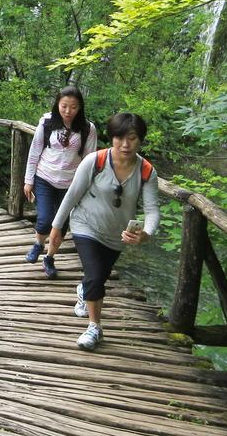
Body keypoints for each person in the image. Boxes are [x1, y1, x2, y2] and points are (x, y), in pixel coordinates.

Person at [49, 113, 160, 351]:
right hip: (84, 224)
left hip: (117, 235)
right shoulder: (95, 161)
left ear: (140, 140)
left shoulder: (147, 172)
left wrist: (146, 233)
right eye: (119, 138)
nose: (125, 144)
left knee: (98, 276)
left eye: (132, 138)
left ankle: (83, 290)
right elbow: (72, 195)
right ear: (111, 138)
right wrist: (57, 227)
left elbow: (152, 210)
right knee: (96, 275)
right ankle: (94, 327)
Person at [23, 85, 97, 279]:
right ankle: (38, 244)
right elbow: (35, 151)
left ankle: (49, 257)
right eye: (64, 106)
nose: (67, 111)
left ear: (79, 107)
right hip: (44, 177)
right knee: (46, 218)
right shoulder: (47, 122)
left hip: (71, 184)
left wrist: (85, 189)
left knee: (61, 224)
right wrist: (28, 180)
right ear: (57, 104)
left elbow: (89, 161)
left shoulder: (88, 129)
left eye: (73, 107)